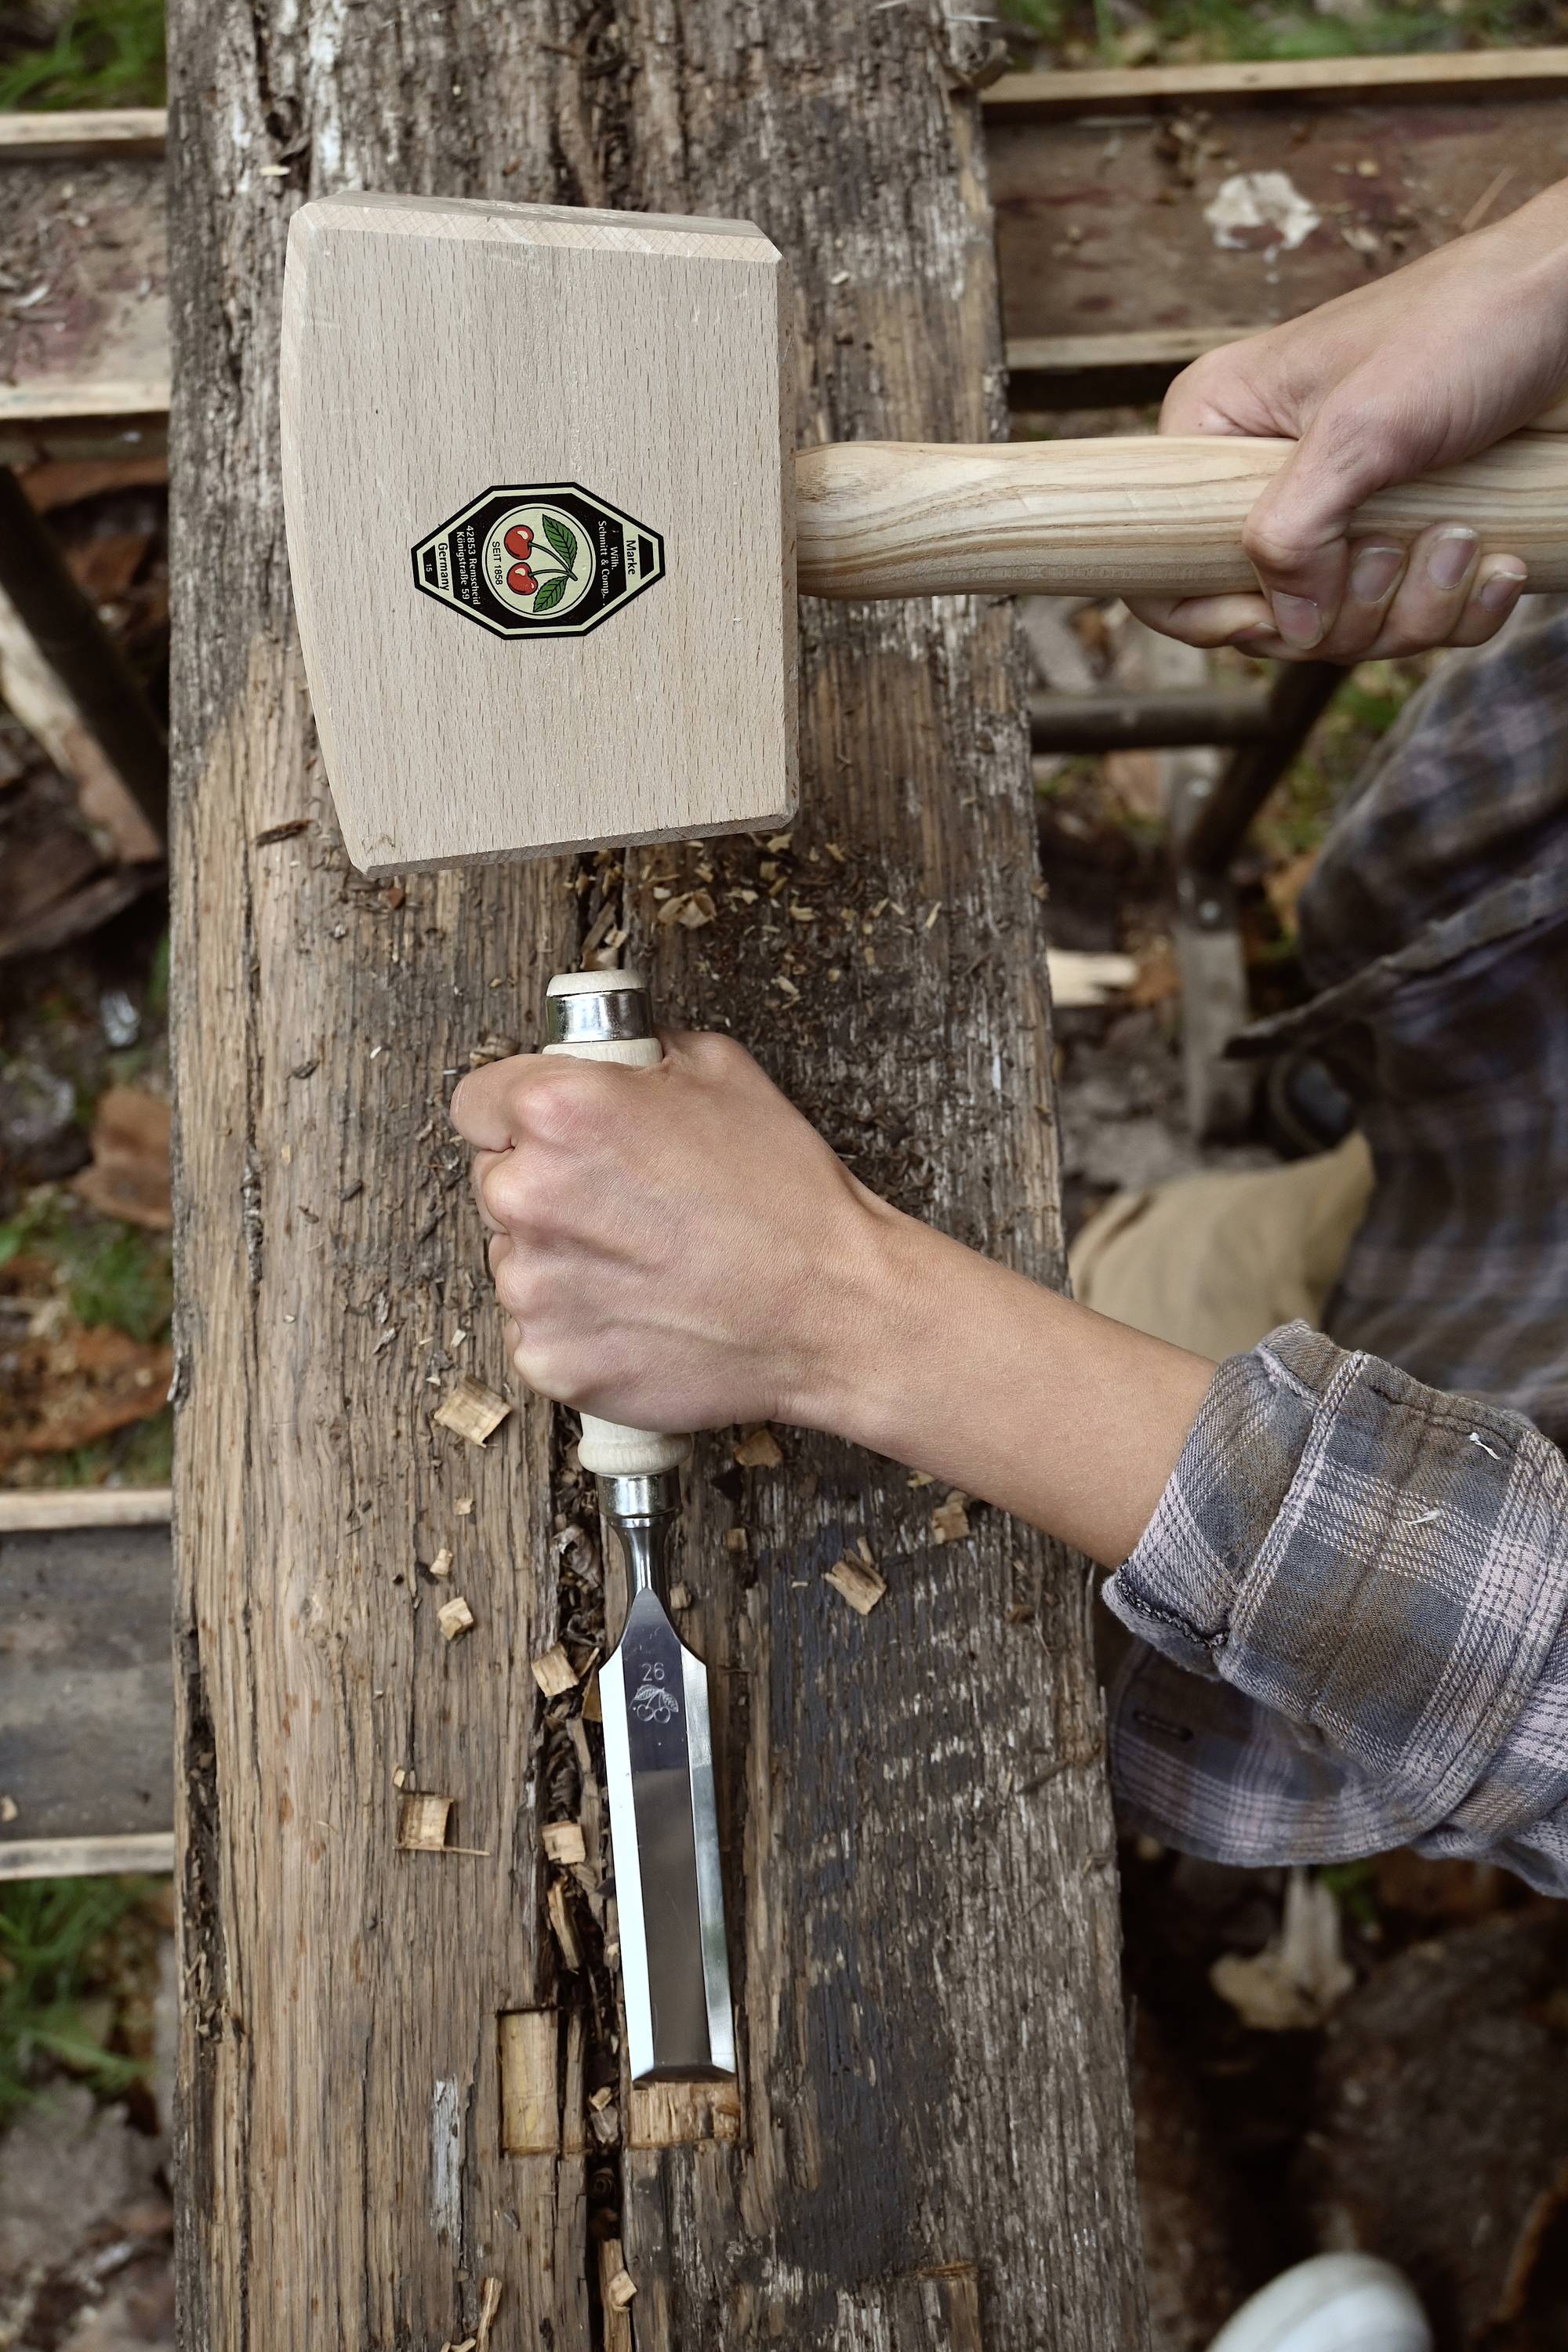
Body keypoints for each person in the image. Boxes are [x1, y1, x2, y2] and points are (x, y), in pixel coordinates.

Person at [451, 181, 1568, 1896]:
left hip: (1470, 1537)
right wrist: (1533, 275)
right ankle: (1316, 1230)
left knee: (1086, 1536)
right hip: (1507, 1145)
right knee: (1270, 1256)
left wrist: (839, 1313)